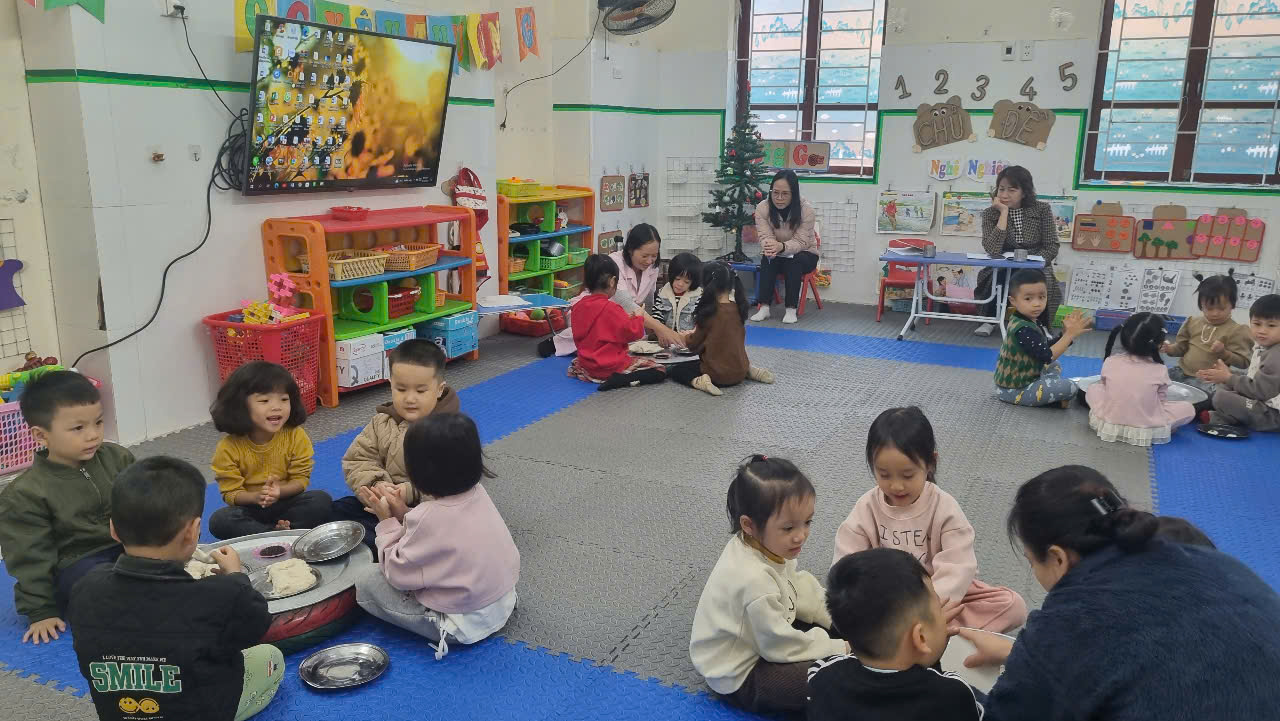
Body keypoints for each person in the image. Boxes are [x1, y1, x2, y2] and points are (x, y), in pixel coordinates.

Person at [953, 465, 1280, 719]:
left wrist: (950, 690)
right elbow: (1170, 651)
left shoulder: (1069, 620)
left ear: (1058, 558)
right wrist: (1021, 655)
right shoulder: (1212, 560)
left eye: (1031, 561)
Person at [69, 457, 283, 721]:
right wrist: (236, 577)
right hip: (202, 710)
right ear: (193, 532)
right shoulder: (223, 595)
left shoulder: (85, 588)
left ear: (113, 528)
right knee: (269, 656)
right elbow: (256, 625)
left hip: (120, 711)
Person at [832, 407, 1026, 633]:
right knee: (841, 605)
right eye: (884, 475)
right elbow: (846, 561)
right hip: (886, 599)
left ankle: (918, 634)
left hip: (937, 597)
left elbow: (958, 567)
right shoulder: (867, 507)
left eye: (908, 475)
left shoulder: (944, 507)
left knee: (1013, 606)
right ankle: (932, 635)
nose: (896, 486)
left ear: (931, 463)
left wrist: (927, 611)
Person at [689, 456, 847, 714]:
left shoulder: (761, 544)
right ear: (749, 525)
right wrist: (841, 648)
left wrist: (835, 615)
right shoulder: (753, 580)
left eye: (807, 522)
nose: (801, 535)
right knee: (830, 680)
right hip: (741, 673)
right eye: (788, 528)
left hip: (764, 634)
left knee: (838, 623)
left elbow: (795, 584)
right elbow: (779, 644)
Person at [353, 413, 519, 659]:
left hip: (460, 625)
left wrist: (386, 521)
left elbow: (397, 574)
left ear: (416, 474)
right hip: (502, 602)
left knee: (365, 578)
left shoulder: (428, 516)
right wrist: (403, 512)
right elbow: (439, 535)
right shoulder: (478, 493)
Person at [0, 371, 135, 644]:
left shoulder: (117, 458)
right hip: (77, 563)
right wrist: (41, 611)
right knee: (98, 583)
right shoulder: (25, 493)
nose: (93, 435)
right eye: (78, 428)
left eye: (98, 422)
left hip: (130, 547)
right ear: (41, 435)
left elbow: (146, 504)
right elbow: (29, 557)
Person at [808, 549, 987, 721]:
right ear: (921, 638)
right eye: (939, 610)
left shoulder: (822, 675)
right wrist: (932, 659)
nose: (943, 614)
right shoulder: (954, 694)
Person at [331, 340, 461, 548]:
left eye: (420, 391)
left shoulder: (452, 431)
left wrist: (407, 493)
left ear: (439, 389)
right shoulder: (381, 422)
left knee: (370, 540)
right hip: (382, 506)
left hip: (425, 513)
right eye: (401, 389)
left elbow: (453, 482)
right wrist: (378, 486)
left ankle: (389, 545)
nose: (409, 399)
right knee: (333, 511)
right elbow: (358, 459)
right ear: (390, 384)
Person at [208, 361, 332, 539]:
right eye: (264, 401)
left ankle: (275, 534)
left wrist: (279, 491)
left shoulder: (296, 435)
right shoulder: (227, 448)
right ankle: (275, 535)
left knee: (321, 500)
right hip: (250, 508)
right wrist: (256, 497)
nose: (276, 406)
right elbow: (231, 494)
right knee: (220, 520)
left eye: (284, 399)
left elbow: (300, 480)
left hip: (287, 503)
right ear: (240, 405)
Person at [551, 223, 684, 355]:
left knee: (618, 339)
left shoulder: (652, 268)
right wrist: (661, 329)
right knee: (601, 338)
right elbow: (625, 302)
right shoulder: (614, 262)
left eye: (654, 256)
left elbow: (648, 302)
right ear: (630, 249)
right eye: (644, 256)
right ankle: (553, 344)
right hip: (589, 312)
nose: (649, 261)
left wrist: (653, 335)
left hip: (616, 317)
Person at [973, 166, 1060, 337]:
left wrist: (1033, 263)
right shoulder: (990, 214)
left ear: (1024, 192)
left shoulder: (1042, 209)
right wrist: (1003, 213)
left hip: (1036, 262)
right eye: (1001, 189)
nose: (1004, 195)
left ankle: (1041, 325)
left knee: (1042, 280)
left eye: (1012, 190)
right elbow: (992, 249)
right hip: (1004, 261)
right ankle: (990, 320)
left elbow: (1052, 245)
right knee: (999, 275)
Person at [1085, 312, 1195, 446]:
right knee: (1188, 409)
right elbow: (1161, 402)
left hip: (1109, 421)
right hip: (1147, 426)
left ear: (1124, 337)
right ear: (1159, 343)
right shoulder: (1160, 369)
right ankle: (1162, 428)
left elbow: (1105, 388)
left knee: (1093, 389)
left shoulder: (1110, 361)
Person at [669, 261, 775, 396]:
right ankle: (749, 370)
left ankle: (700, 381)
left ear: (706, 284)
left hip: (717, 375)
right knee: (726, 357)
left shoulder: (709, 312)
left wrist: (685, 337)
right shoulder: (738, 307)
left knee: (677, 369)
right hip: (740, 371)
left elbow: (694, 345)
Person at [994, 269, 1092, 408]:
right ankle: (1049, 398)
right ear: (1013, 301)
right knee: (1071, 387)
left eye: (1041, 297)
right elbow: (1047, 356)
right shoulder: (1023, 329)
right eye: (1028, 299)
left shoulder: (1027, 319)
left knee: (1055, 365)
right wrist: (1069, 335)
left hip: (1022, 377)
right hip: (1014, 389)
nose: (1037, 304)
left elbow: (1043, 347)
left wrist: (1064, 334)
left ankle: (1046, 388)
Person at [567, 254, 666, 391]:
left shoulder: (578, 307)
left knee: (577, 361)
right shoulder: (612, 308)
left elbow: (598, 327)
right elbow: (633, 333)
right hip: (611, 366)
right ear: (612, 282)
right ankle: (622, 379)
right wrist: (638, 317)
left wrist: (627, 318)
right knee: (659, 370)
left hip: (588, 366)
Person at [1197, 293, 1280, 432]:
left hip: (1273, 416)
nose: (1262, 331)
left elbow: (1260, 392)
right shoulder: (1265, 347)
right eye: (1257, 324)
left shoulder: (1276, 355)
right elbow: (1254, 378)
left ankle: (1225, 417)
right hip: (1262, 400)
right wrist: (1228, 376)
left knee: (1222, 397)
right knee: (1223, 386)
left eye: (1271, 325)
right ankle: (1226, 417)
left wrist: (1229, 377)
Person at [1162, 271, 1252, 397]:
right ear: (1201, 305)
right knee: (1157, 384)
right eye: (1209, 308)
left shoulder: (1236, 330)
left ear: (1232, 305)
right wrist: (1169, 349)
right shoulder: (1192, 322)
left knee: (1213, 398)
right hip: (1181, 372)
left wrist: (1224, 353)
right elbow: (1181, 348)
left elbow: (1244, 362)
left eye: (1221, 308)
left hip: (1209, 380)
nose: (1215, 313)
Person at [750, 170, 819, 325]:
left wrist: (781, 246)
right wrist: (769, 246)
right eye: (775, 193)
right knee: (767, 258)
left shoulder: (806, 210)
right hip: (779, 251)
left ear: (793, 193)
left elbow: (801, 242)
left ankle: (790, 309)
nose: (779, 198)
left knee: (794, 261)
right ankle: (764, 307)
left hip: (806, 253)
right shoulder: (762, 208)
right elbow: (764, 235)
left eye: (785, 194)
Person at [650, 252, 702, 334]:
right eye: (677, 279)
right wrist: (660, 331)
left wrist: (694, 332)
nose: (680, 284)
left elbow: (702, 318)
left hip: (688, 336)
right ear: (671, 276)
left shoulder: (697, 296)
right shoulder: (663, 293)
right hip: (666, 336)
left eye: (686, 282)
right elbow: (657, 314)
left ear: (693, 282)